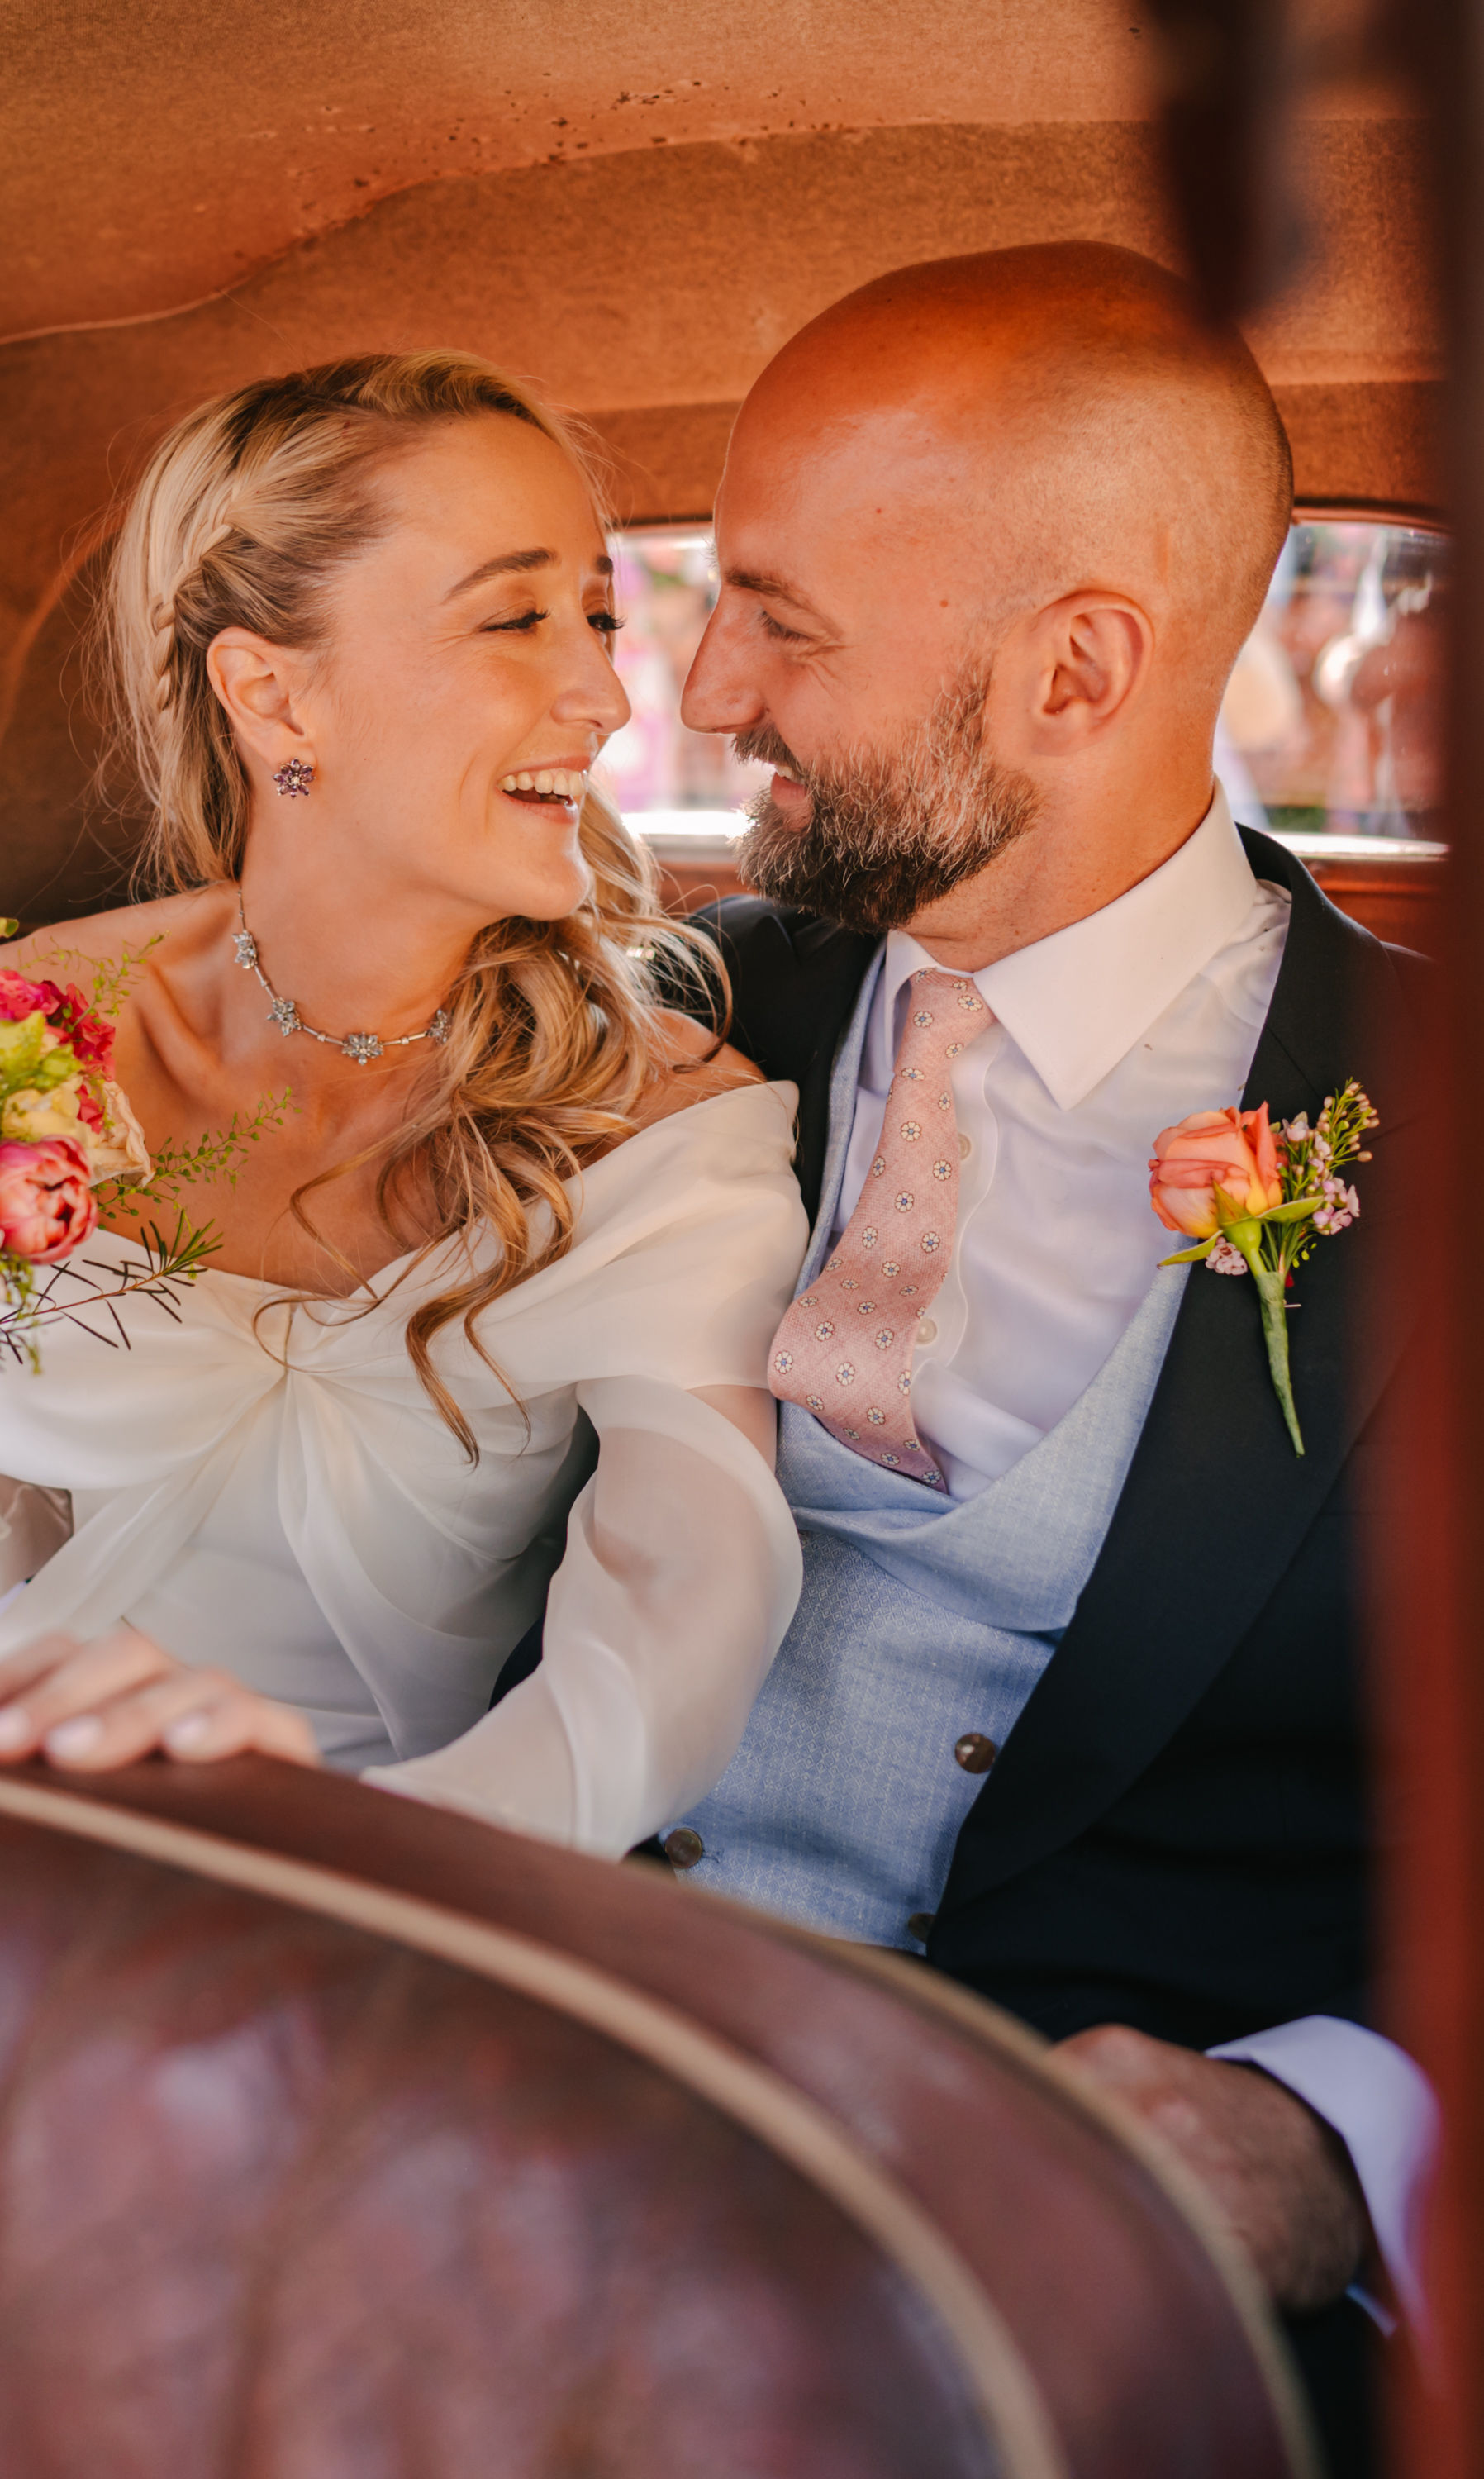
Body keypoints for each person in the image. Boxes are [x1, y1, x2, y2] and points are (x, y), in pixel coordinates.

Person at [654, 245, 1429, 2474]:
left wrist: (1327, 2136)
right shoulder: (655, 1021)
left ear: (1077, 669)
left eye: (785, 621)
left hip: (1067, 2313)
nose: (712, 687)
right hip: (543, 2099)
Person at [0, 350, 807, 1859]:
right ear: (273, 690)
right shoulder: (14, 1035)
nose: (608, 694)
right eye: (516, 618)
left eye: (600, 617)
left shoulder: (665, 1125)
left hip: (375, 1900)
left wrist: (337, 1870)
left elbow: (680, 1631)